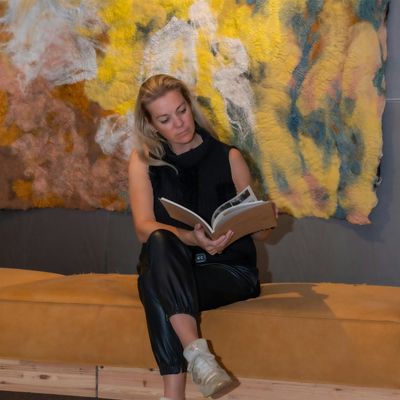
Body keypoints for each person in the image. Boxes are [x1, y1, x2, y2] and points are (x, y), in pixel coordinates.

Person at [128, 74, 274, 400]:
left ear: (190, 106)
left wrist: (265, 218)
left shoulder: (229, 157)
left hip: (230, 272)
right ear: (151, 125)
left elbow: (262, 233)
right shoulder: (143, 161)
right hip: (175, 267)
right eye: (165, 119)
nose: (179, 123)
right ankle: (199, 358)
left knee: (153, 285)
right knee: (158, 239)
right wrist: (191, 238)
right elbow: (142, 227)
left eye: (181, 111)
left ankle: (175, 393)